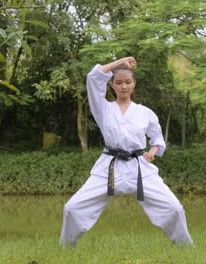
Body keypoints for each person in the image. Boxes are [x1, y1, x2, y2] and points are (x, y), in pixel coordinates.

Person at [59, 57, 194, 247]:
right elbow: (93, 77)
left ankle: (185, 247)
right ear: (112, 85)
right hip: (108, 167)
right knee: (72, 208)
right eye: (119, 82)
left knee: (174, 208)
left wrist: (152, 152)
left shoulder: (145, 112)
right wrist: (121, 61)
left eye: (127, 82)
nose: (123, 86)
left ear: (134, 84)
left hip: (139, 167)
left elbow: (158, 140)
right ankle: (65, 248)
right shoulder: (103, 109)